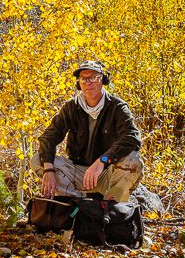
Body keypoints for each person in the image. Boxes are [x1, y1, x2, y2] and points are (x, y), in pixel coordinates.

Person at [30, 60, 143, 202]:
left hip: (105, 173)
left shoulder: (117, 107)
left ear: (103, 80)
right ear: (79, 83)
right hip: (78, 173)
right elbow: (48, 137)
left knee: (133, 160)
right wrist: (48, 170)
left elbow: (132, 138)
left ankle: (111, 207)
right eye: (83, 78)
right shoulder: (72, 107)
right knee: (37, 159)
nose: (88, 82)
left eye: (93, 77)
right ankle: (75, 201)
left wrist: (102, 161)